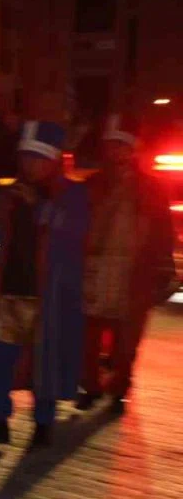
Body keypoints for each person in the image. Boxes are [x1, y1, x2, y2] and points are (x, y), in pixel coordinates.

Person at [0, 121, 89, 451]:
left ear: (53, 161)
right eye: (25, 158)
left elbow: (76, 235)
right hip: (8, 289)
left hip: (49, 294)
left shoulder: (72, 194)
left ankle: (42, 425)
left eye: (37, 159)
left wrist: (38, 207)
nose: (29, 165)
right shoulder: (13, 193)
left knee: (43, 362)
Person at [78, 114, 176, 414]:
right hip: (94, 273)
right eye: (111, 145)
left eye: (121, 145)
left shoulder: (150, 188)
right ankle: (90, 387)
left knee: (126, 341)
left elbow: (163, 230)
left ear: (132, 149)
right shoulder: (92, 185)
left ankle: (119, 389)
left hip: (133, 276)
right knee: (89, 339)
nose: (115, 151)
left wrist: (163, 269)